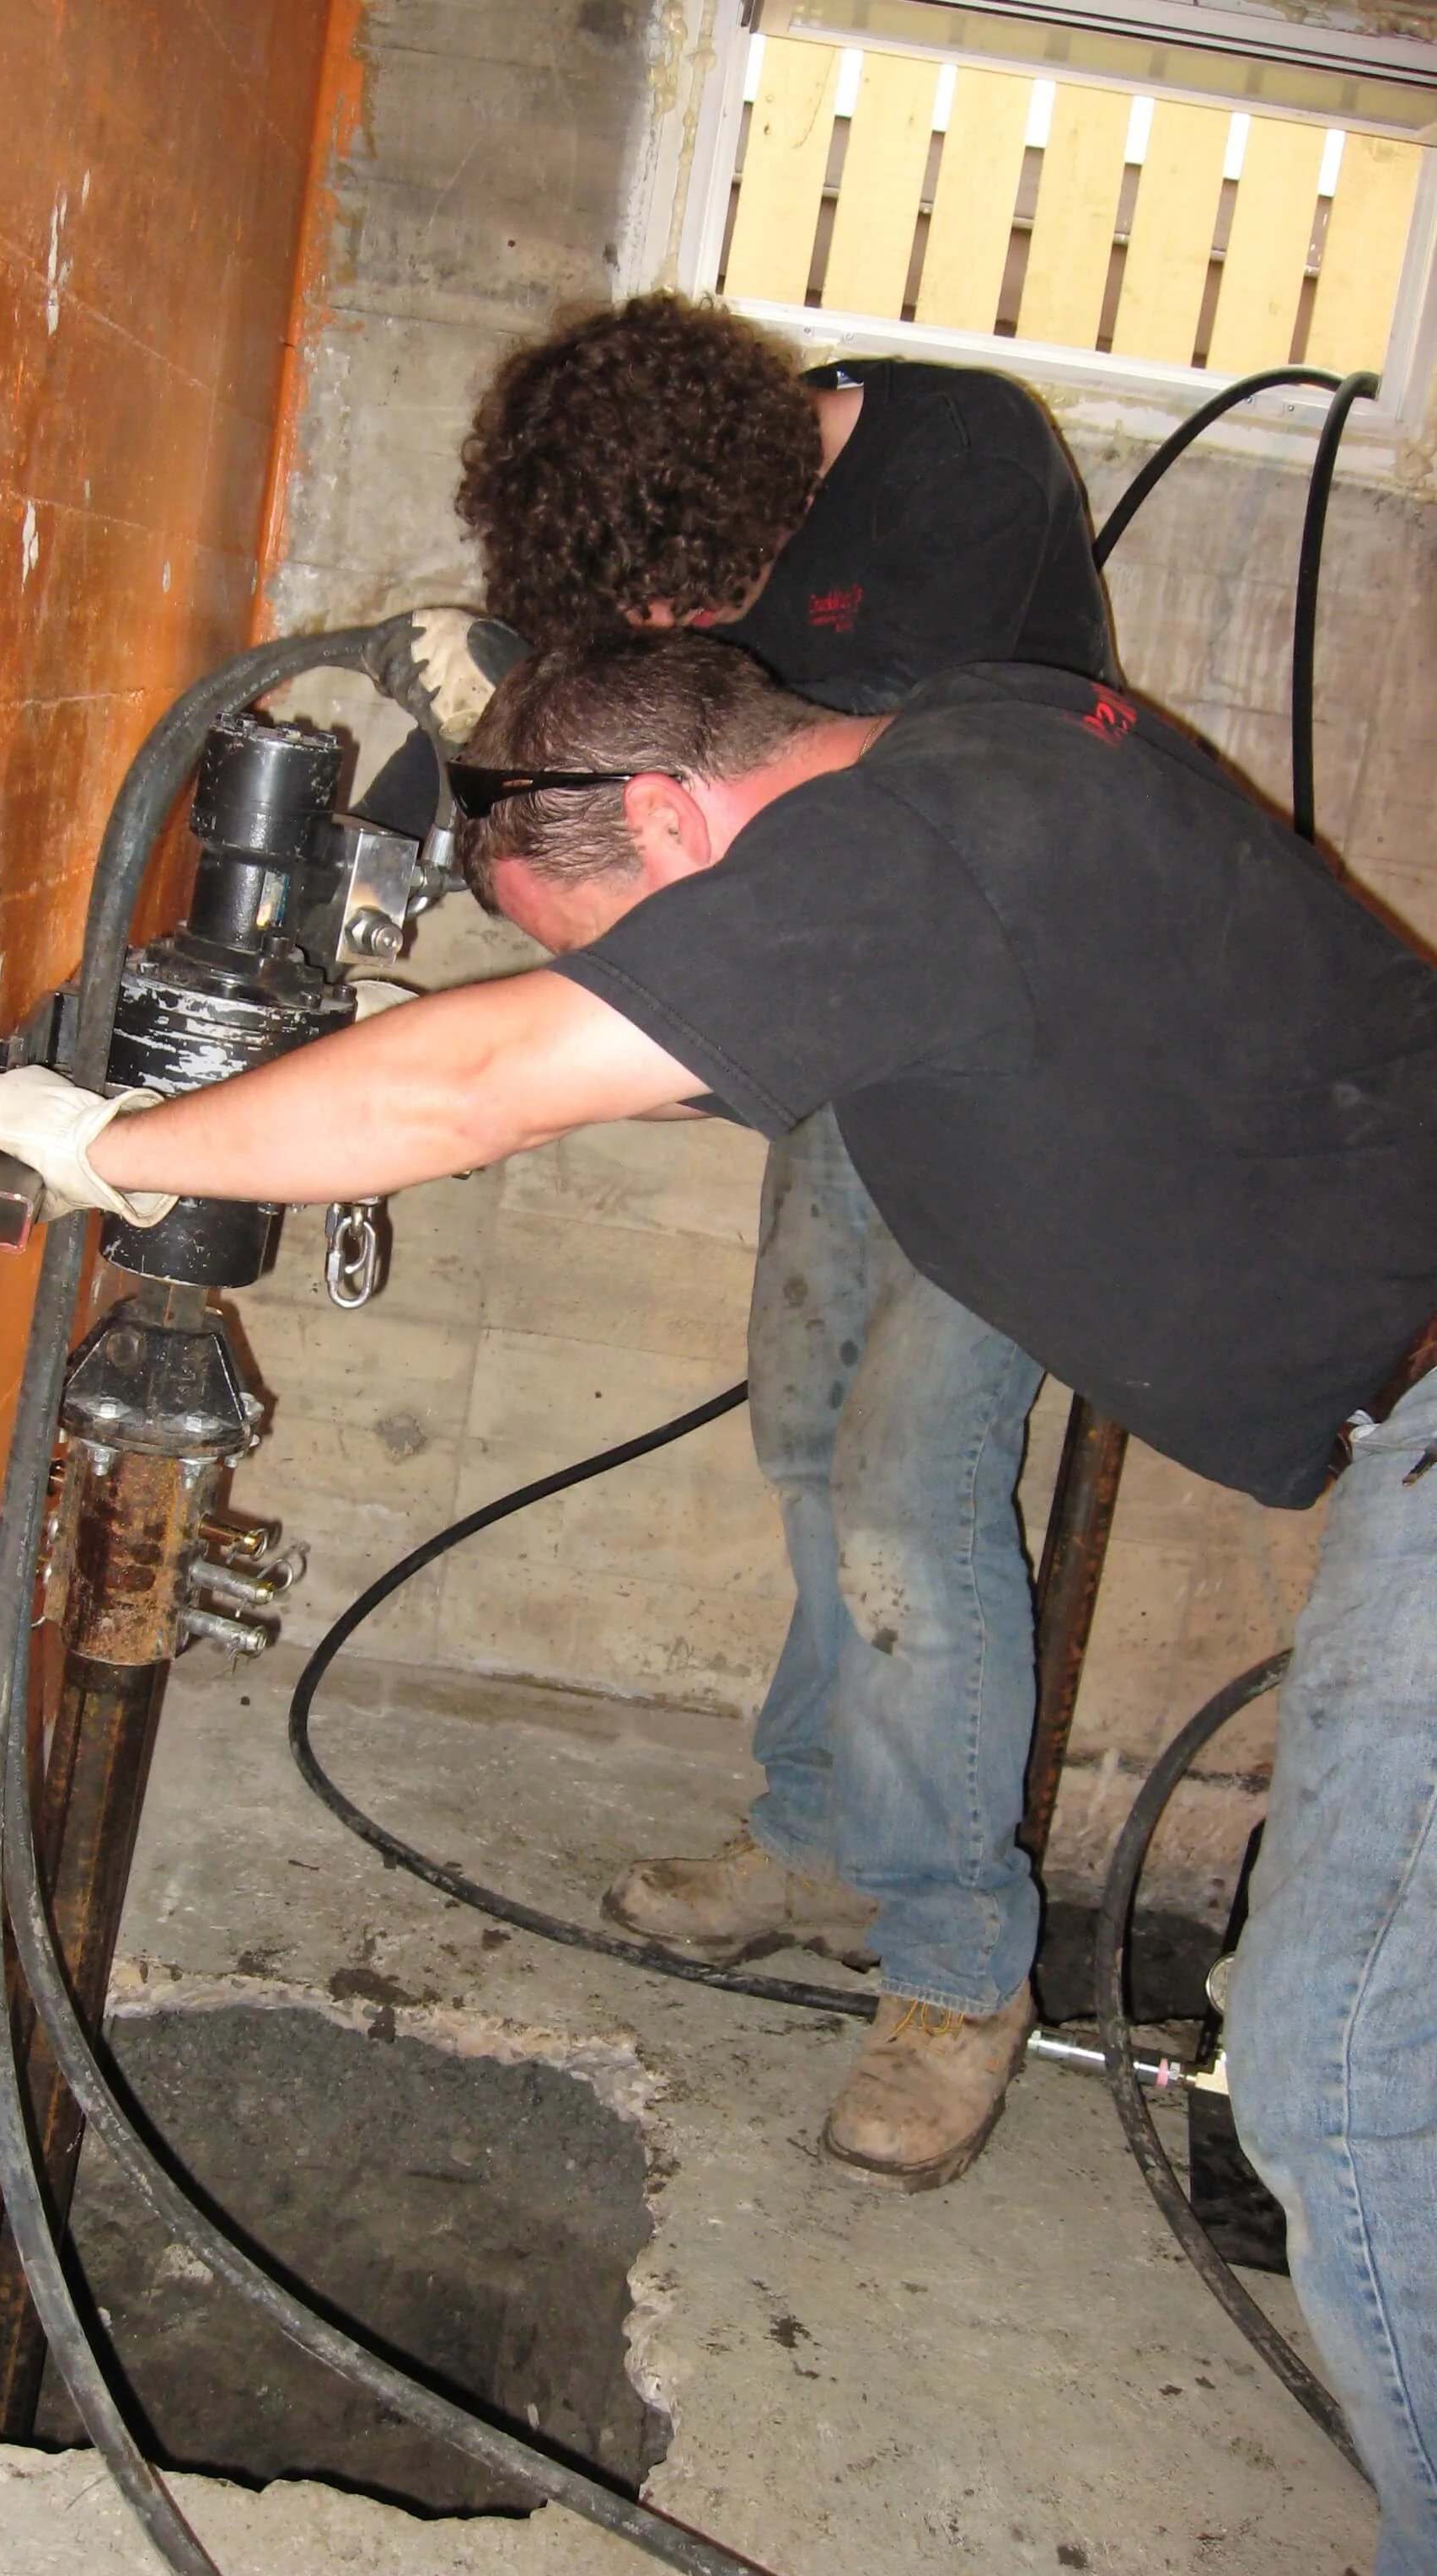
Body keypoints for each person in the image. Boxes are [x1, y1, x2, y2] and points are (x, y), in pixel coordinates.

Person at [0, 631, 1436, 2576]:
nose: (629, 984)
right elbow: (638, 1053)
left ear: (672, 809)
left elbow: (489, 1082)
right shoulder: (956, 743)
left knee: (1337, 2079)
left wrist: (108, 1149)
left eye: (620, 933)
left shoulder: (903, 852)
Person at [373, 295, 1118, 2189]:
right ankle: (807, 1838)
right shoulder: (672, 528)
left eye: (714, 601)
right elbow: (597, 715)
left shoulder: (965, 466)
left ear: (773, 466)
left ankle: (956, 1973)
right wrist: (443, 769)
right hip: (859, 1033)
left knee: (908, 1489)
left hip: (1045, 1040)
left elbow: (835, 786)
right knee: (808, 1447)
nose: (691, 636)